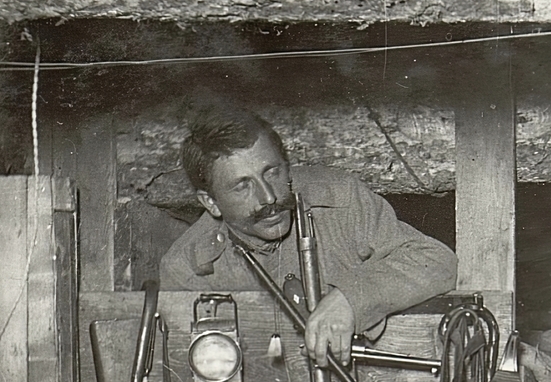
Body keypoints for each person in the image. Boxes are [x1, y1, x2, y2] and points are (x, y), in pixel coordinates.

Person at [160, 105, 457, 365]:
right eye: (242, 186)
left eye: (272, 172)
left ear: (287, 167)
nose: (268, 198)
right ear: (210, 203)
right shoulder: (187, 268)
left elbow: (437, 262)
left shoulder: (339, 198)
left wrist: (351, 298)